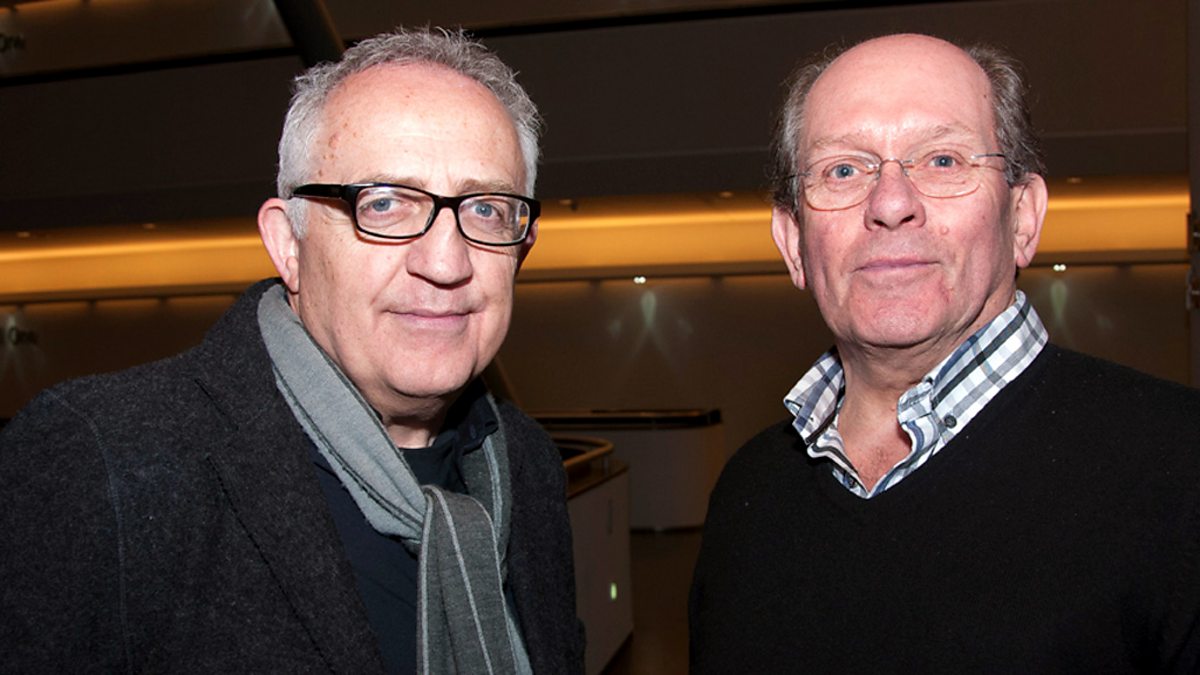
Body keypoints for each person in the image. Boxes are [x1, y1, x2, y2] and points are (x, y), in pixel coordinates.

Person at [0, 27, 584, 674]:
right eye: (384, 203)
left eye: (487, 210)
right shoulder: (102, 465)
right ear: (288, 244)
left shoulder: (527, 465)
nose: (446, 263)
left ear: (522, 247)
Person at [689, 33, 1200, 673]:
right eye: (843, 170)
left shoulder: (1182, 469)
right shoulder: (749, 491)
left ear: (1022, 218)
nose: (891, 204)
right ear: (793, 243)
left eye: (942, 160)